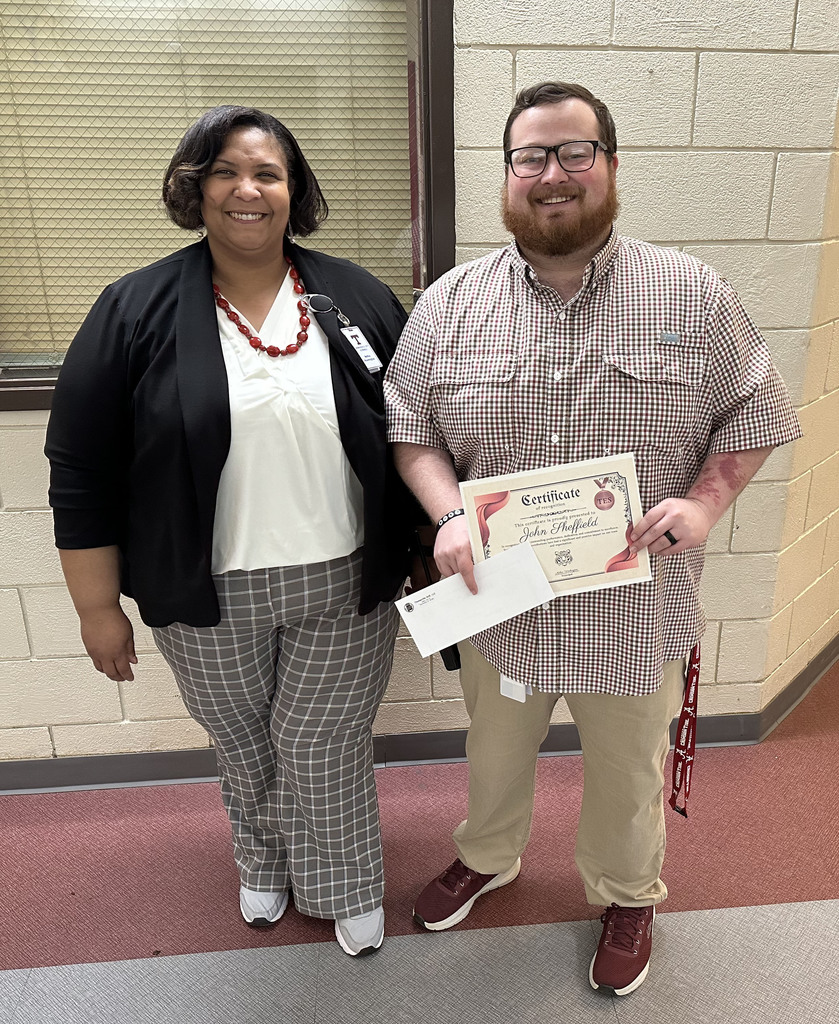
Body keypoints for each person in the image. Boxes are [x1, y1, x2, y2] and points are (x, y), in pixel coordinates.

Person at [384, 81, 801, 994]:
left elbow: (758, 409)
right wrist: (449, 513)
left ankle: (624, 891)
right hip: (501, 600)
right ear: (506, 175)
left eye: (576, 152)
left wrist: (704, 503)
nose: (553, 174)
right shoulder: (451, 303)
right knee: (491, 752)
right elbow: (410, 425)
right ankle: (488, 855)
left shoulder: (690, 294)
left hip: (633, 599)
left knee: (625, 769)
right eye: (531, 156)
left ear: (610, 166)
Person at [45, 105, 413, 957]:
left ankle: (346, 881)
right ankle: (264, 859)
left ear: (294, 192)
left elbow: (417, 429)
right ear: (195, 188)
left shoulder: (352, 296)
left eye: (268, 174)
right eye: (225, 172)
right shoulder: (131, 309)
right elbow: (81, 467)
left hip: (344, 578)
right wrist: (96, 606)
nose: (247, 190)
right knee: (244, 741)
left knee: (318, 741)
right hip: (202, 586)